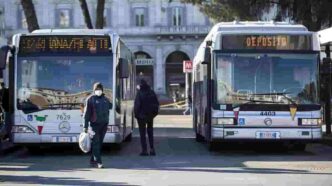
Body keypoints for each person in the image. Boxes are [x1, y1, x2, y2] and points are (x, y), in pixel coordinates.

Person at [83, 82, 111, 168]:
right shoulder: (90, 99)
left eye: (100, 89)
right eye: (96, 89)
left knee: (99, 144)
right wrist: (85, 127)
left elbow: (110, 106)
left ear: (102, 90)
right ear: (94, 90)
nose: (98, 91)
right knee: (96, 143)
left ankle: (92, 160)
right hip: (94, 126)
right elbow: (86, 114)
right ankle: (99, 162)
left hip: (104, 125)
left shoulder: (105, 99)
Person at [134, 79, 159, 156]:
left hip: (141, 117)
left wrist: (136, 115)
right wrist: (154, 114)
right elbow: (157, 104)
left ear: (140, 85)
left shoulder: (139, 93)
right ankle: (152, 149)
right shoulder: (151, 92)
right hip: (150, 116)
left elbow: (137, 105)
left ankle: (144, 150)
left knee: (142, 134)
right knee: (150, 133)